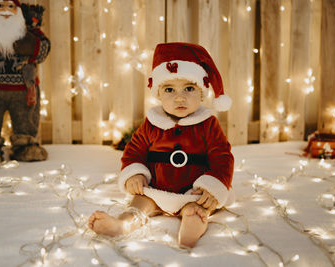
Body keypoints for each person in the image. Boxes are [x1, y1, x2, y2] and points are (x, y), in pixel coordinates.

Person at [89, 42, 234, 248]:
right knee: (140, 203)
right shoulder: (152, 123)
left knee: (197, 207)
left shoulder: (208, 124)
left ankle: (192, 228)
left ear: (201, 93)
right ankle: (121, 225)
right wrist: (135, 174)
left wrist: (212, 188)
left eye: (189, 88)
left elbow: (223, 157)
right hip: (156, 190)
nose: (180, 97)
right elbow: (134, 151)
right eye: (169, 89)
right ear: (158, 93)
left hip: (193, 191)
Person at [0, 0, 50, 166]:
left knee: (26, 119)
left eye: (11, 6)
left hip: (23, 90)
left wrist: (31, 44)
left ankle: (25, 145)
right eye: (0, 6)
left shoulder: (29, 32)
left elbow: (43, 51)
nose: (5, 10)